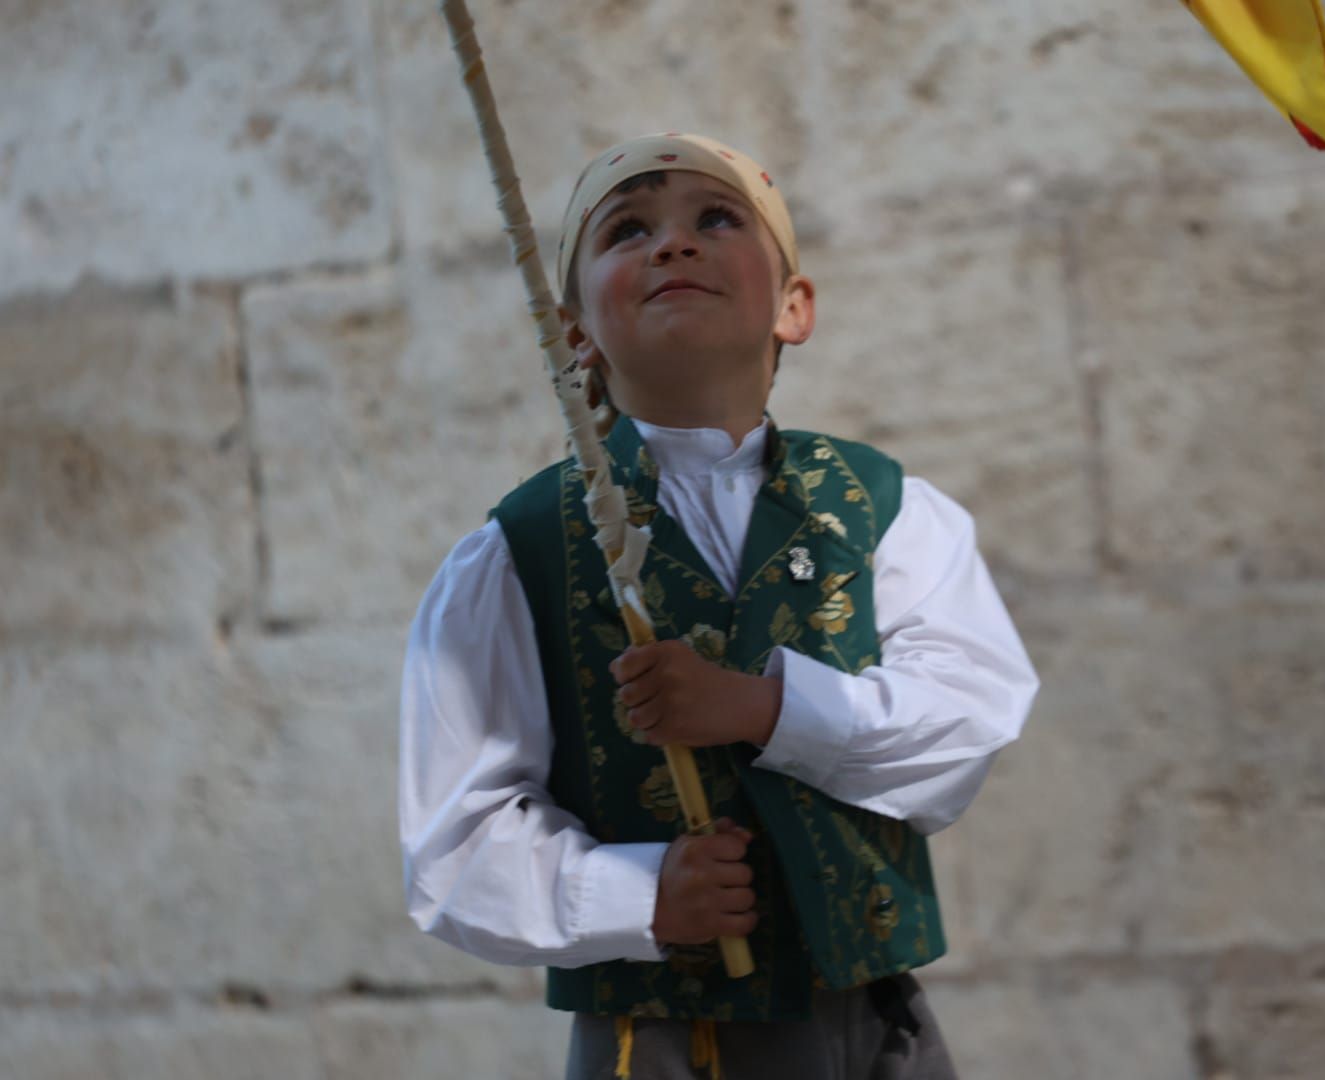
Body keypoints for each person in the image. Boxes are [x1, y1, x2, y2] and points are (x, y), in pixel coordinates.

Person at [398, 132, 1039, 1079]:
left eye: (716, 218)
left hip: (872, 1024)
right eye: (627, 229)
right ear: (572, 329)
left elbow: (966, 720)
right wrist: (640, 893)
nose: (673, 245)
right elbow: (454, 841)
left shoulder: (889, 511)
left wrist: (764, 708)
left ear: (794, 305)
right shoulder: (515, 554)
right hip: (666, 1042)